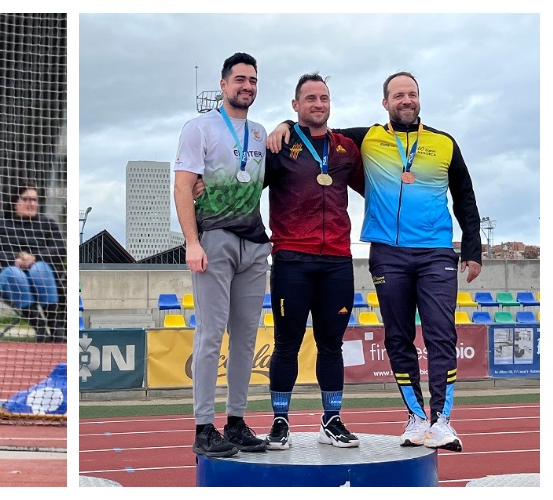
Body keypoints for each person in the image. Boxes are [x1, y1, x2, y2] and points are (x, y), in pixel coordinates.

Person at [268, 72, 482, 452]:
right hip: (381, 252)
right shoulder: (364, 138)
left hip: (433, 251)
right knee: (396, 337)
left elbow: (464, 194)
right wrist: (284, 125)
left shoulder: (442, 142)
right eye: (398, 94)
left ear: (419, 98)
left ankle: (441, 420)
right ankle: (415, 417)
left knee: (440, 335)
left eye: (412, 93)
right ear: (385, 102)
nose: (406, 99)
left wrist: (473, 247)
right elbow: (312, 130)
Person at [260, 73, 364, 450]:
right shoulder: (280, 146)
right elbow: (249, 188)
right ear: (295, 105)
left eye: (324, 98)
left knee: (331, 344)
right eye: (310, 99)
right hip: (291, 259)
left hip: (337, 260)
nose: (318, 104)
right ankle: (279, 421)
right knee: (286, 344)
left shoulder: (345, 149)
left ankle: (332, 419)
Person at [173, 52, 270, 458]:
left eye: (252, 81)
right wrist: (191, 242)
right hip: (214, 240)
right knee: (210, 335)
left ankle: (235, 421)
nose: (246, 86)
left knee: (246, 340)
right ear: (224, 83)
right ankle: (203, 428)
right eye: (239, 80)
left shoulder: (263, 133)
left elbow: (258, 183)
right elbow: (182, 187)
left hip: (255, 245)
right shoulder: (200, 128)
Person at [0, 182, 66, 343]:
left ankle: (56, 328)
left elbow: (60, 249)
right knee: (15, 274)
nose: (31, 203)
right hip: (7, 278)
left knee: (39, 269)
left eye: (34, 200)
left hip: (43, 275)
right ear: (15, 202)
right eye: (26, 199)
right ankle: (39, 325)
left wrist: (35, 258)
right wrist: (15, 260)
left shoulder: (47, 225)